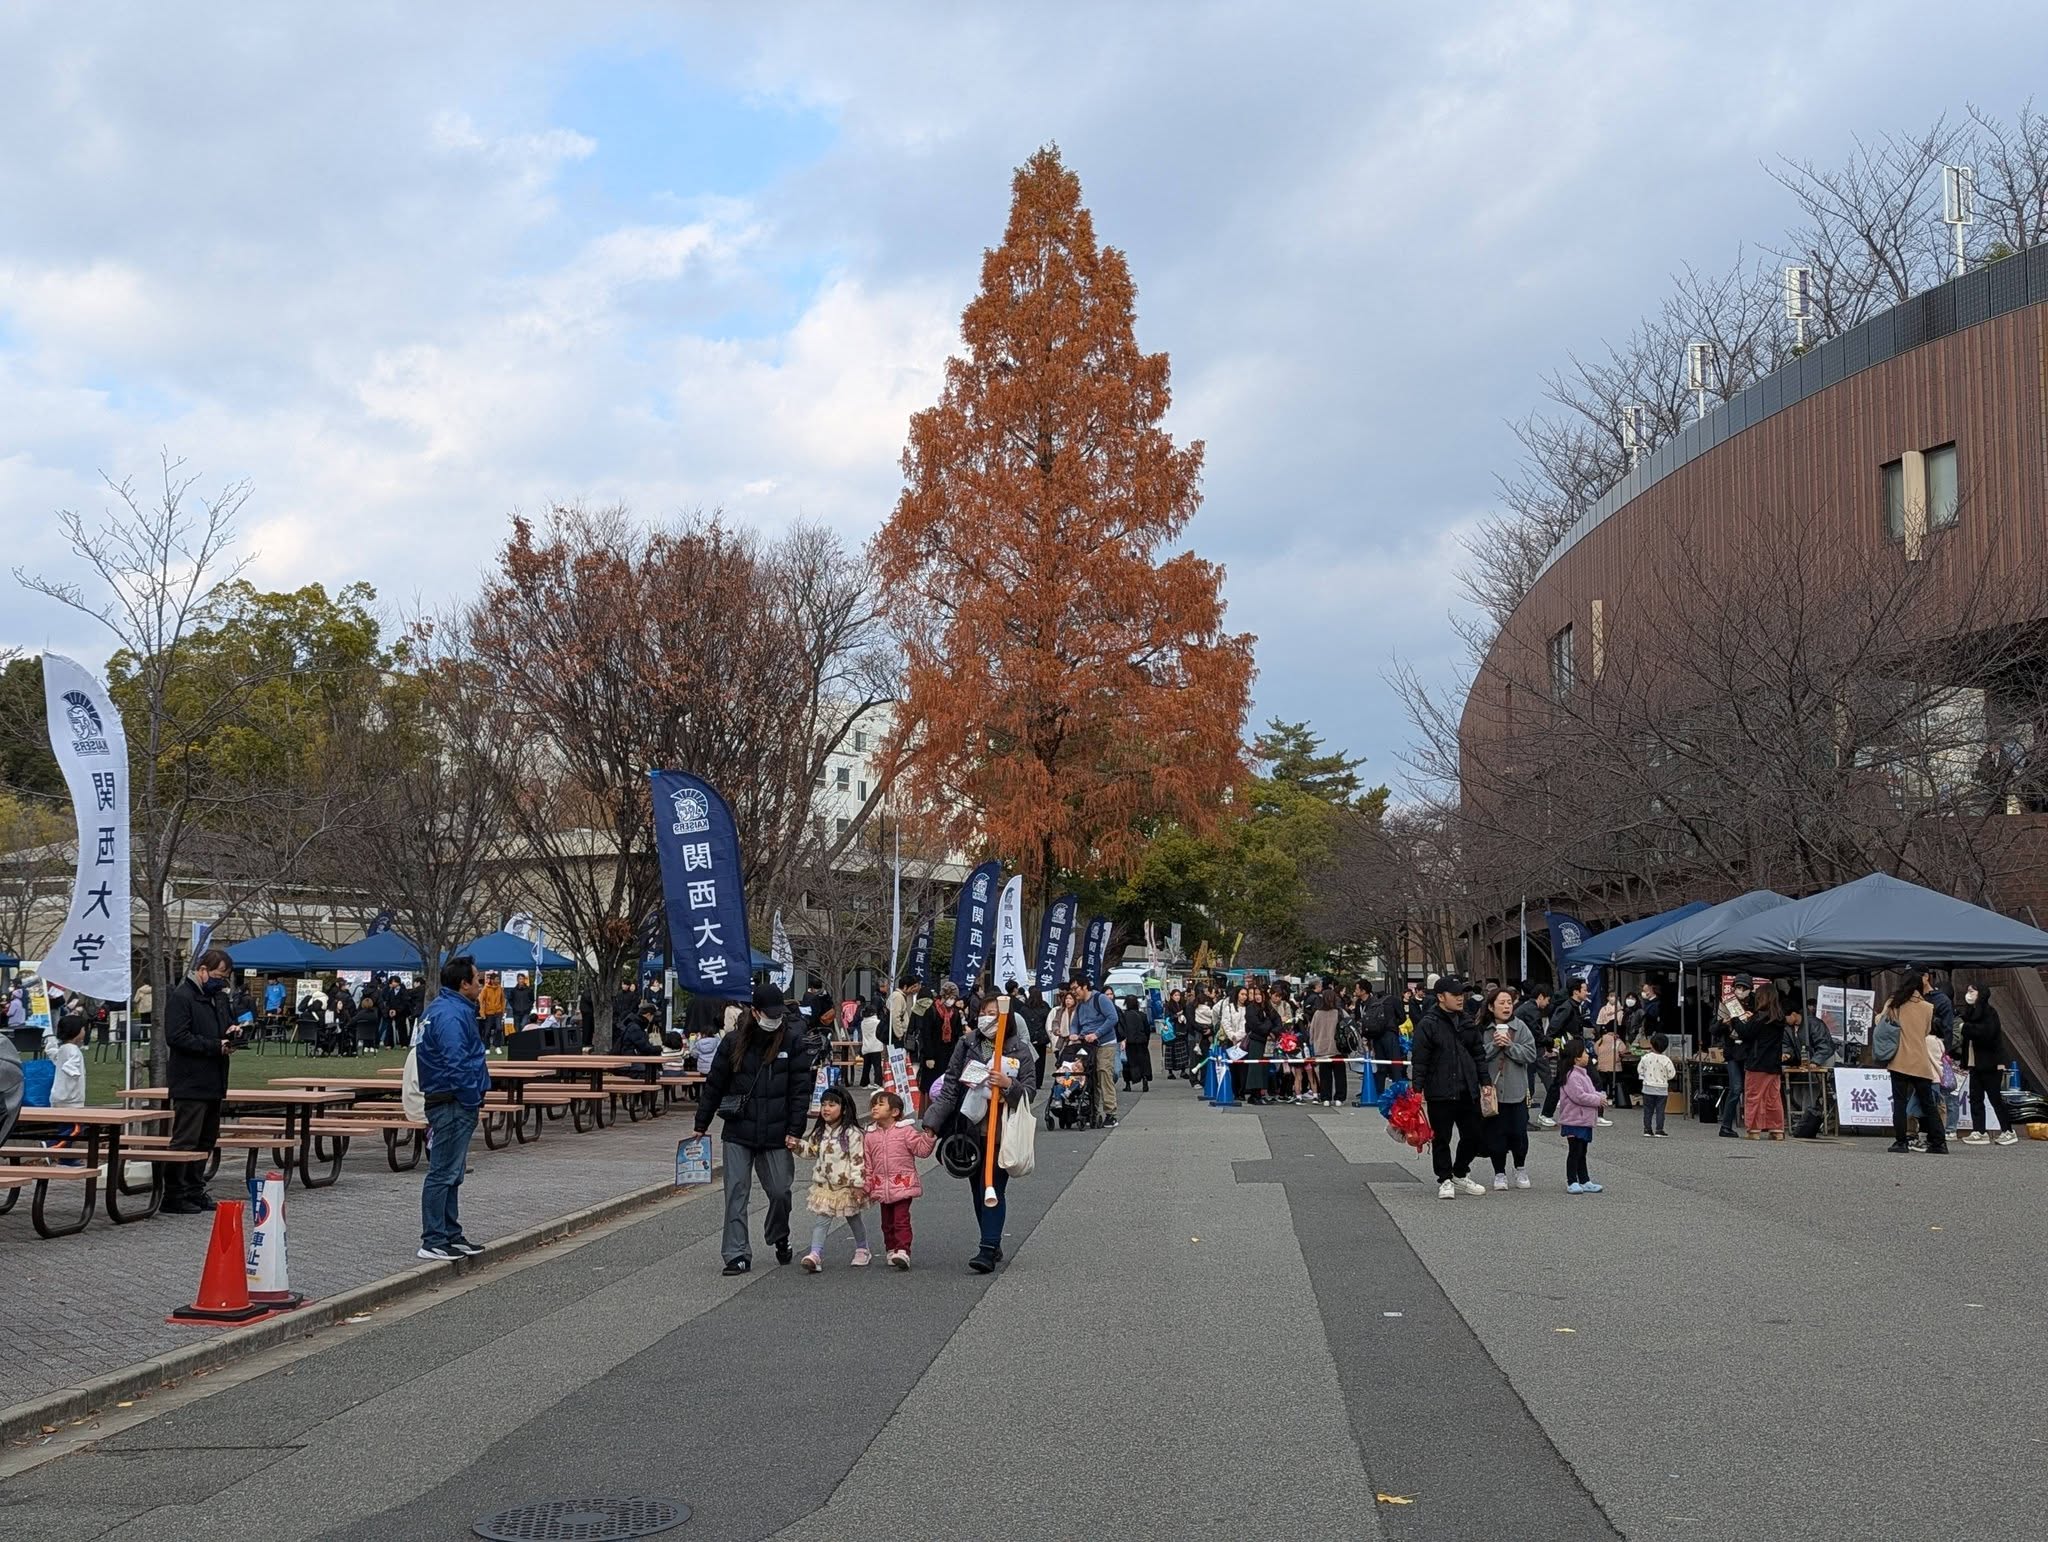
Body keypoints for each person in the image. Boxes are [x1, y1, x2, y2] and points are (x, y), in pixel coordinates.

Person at [694, 984, 814, 1275]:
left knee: (781, 1191)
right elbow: (715, 1085)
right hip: (738, 1129)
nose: (775, 1019)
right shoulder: (733, 1042)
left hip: (777, 1130)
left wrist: (796, 1130)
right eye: (769, 1013)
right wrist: (701, 1123)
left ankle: (779, 1235)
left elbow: (801, 1091)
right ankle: (736, 1253)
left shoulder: (792, 1042)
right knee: (736, 1191)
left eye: (779, 1014)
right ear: (756, 1012)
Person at [923, 997, 1039, 1273]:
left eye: (994, 1014)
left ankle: (986, 1249)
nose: (987, 1018)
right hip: (970, 1131)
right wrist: (933, 1123)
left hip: (1002, 1131)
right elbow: (950, 1085)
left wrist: (1009, 1085)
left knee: (993, 1189)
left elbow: (1030, 1092)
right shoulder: (966, 1045)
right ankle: (992, 1239)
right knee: (978, 1190)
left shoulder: (1020, 1050)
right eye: (984, 1013)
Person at [416, 955, 490, 1261]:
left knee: (452, 1172)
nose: (481, 986)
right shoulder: (451, 1015)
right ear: (464, 984)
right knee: (443, 1172)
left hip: (450, 1098)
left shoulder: (443, 1010)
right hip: (451, 1100)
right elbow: (456, 1060)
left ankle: (449, 1233)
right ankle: (434, 1237)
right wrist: (471, 1096)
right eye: (478, 980)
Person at [164, 948, 242, 1214]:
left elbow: (224, 1025)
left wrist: (233, 1032)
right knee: (186, 1139)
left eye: (226, 977)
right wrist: (213, 1045)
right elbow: (176, 1036)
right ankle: (174, 1193)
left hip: (214, 1079)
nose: (222, 981)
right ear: (203, 970)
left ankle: (195, 1189)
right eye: (219, 974)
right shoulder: (182, 997)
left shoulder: (217, 998)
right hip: (190, 1080)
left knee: (206, 1139)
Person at [1411, 975, 1488, 1200]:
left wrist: (1485, 1081)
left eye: (1462, 993)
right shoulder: (1428, 1024)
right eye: (1455, 994)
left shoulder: (1467, 1021)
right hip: (1440, 1088)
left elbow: (1479, 1053)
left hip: (1467, 1088)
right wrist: (1418, 1088)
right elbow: (1420, 1059)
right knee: (1441, 1137)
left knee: (1474, 1135)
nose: (1460, 998)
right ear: (1441, 997)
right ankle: (1444, 1178)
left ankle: (1460, 1171)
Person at [798, 1086, 871, 1271]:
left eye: (831, 1105)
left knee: (853, 1217)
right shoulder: (820, 1132)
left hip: (847, 1186)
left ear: (844, 1108)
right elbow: (810, 1151)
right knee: (822, 1219)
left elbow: (857, 1160)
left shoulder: (852, 1133)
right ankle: (815, 1254)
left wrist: (857, 1184)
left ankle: (863, 1248)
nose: (826, 1109)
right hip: (825, 1186)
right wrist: (796, 1145)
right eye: (823, 1105)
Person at [862, 1088, 935, 1269]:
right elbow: (867, 1162)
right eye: (873, 1105)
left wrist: (929, 1137)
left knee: (901, 1219)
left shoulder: (905, 1131)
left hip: (902, 1184)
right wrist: (866, 1184)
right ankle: (891, 1248)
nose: (875, 1108)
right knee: (886, 1222)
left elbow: (921, 1150)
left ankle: (903, 1250)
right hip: (881, 1185)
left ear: (894, 1112)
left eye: (880, 1104)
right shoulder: (870, 1135)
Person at [1877, 977, 1947, 1156]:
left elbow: (1881, 1023)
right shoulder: (1928, 1007)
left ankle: (1901, 1142)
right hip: (1921, 1060)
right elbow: (1925, 1032)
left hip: (1900, 1059)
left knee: (1900, 1103)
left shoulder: (1896, 1004)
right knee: (1928, 1104)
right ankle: (1939, 1143)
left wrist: (1883, 1010)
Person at [1478, 986, 1537, 1190]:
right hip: (1493, 1093)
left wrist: (1510, 1046)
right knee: (1496, 1134)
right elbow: (1477, 1057)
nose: (1506, 1006)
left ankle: (1520, 1168)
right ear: (1491, 1007)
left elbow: (1531, 1055)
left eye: (1509, 1003)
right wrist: (1494, 1045)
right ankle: (1499, 1173)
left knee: (1519, 1133)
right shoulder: (1483, 1029)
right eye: (1501, 1003)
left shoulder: (1521, 1027)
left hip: (1516, 1090)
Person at [1958, 983, 2019, 1146]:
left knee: (1995, 1098)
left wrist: (1966, 1028)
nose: (1968, 993)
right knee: (1975, 1098)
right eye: (1968, 990)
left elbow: (1987, 1034)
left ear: (1981, 993)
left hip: (1991, 1063)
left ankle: (2008, 1130)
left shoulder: (1989, 1012)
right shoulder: (1970, 1012)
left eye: (1972, 991)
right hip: (1974, 1064)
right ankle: (1979, 1131)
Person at [1555, 1037, 1607, 1193]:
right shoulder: (1571, 1075)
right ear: (1576, 1057)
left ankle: (1584, 1180)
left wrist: (1599, 1095)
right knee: (1574, 1151)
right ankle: (1572, 1181)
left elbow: (1587, 1092)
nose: (1588, 1055)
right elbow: (1579, 1096)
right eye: (1585, 1052)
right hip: (1573, 1120)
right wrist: (1598, 1099)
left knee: (1582, 1152)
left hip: (1583, 1120)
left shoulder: (1582, 1074)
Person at [1740, 981, 1789, 1141]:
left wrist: (1735, 1020)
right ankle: (1777, 1129)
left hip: (1757, 1062)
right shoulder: (1779, 1018)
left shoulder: (1759, 1017)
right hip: (1773, 1063)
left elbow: (1746, 1033)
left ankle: (1753, 1129)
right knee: (1773, 1097)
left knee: (1753, 1096)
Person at [1071, 976, 1121, 1127]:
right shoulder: (1080, 1005)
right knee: (1090, 1078)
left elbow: (1113, 1018)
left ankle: (1111, 1113)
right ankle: (1092, 1111)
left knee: (1103, 1073)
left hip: (1105, 1043)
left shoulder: (1100, 999)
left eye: (1075, 989)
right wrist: (1074, 1034)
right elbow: (1075, 1024)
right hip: (1087, 1045)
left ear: (1085, 986)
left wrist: (1097, 1034)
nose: (1074, 992)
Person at [1308, 982, 1347, 1107]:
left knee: (1325, 1075)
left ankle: (1325, 1097)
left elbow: (1311, 1032)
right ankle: (1339, 1098)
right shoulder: (1339, 1012)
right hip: (1337, 1049)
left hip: (1321, 1050)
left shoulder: (1317, 1014)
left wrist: (1313, 1045)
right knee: (1340, 1075)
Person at [1638, 1032, 1676, 1138]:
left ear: (1651, 1044)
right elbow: (1671, 1074)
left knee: (1648, 1110)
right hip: (1661, 1088)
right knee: (1660, 1110)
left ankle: (1647, 1129)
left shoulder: (1645, 1057)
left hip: (1647, 1087)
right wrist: (1664, 1078)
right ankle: (1659, 1130)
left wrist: (1645, 1076)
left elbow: (1640, 1070)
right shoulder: (1666, 1060)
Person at [1119, 993, 1154, 1092]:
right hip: (1141, 1042)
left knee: (1128, 1063)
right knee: (1143, 1062)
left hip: (1129, 1042)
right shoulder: (1142, 1015)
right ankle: (1145, 1078)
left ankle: (1128, 1084)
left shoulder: (1124, 1015)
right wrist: (1146, 1040)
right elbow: (1147, 1029)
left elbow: (1122, 1030)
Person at [858, 1002, 885, 1086]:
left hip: (866, 1047)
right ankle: (878, 1082)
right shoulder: (877, 1022)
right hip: (876, 1046)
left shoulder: (863, 1023)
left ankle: (864, 1083)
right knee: (877, 1066)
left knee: (866, 1066)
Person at [478, 972, 505, 1043]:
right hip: (489, 1012)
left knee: (499, 1028)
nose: (498, 981)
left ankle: (497, 1045)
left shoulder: (500, 988)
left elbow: (502, 1000)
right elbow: (481, 1000)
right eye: (497, 979)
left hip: (498, 1012)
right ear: (492, 980)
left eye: (499, 979)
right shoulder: (485, 988)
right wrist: (482, 1012)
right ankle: (487, 1047)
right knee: (487, 1030)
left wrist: (503, 1010)